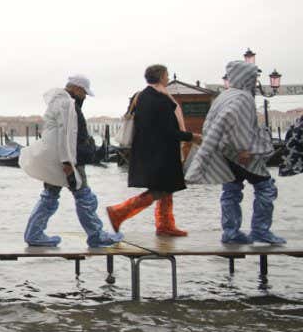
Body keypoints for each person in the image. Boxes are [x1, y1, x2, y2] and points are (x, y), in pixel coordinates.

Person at [186, 60, 284, 244]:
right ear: (246, 78)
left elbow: (210, 124)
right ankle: (260, 230)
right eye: (254, 78)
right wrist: (243, 148)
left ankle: (230, 232)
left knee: (231, 190)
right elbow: (231, 122)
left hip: (226, 153)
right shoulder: (243, 98)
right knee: (266, 188)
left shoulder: (224, 96)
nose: (255, 82)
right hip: (243, 154)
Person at [18, 75, 122, 248]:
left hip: (55, 158)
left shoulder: (58, 102)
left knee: (49, 197)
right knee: (84, 197)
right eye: (84, 92)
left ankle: (33, 234)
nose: (85, 97)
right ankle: (96, 235)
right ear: (76, 89)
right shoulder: (67, 104)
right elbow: (67, 135)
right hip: (69, 160)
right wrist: (68, 163)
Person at [106, 65, 200, 236]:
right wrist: (191, 137)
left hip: (146, 150)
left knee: (167, 188)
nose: (168, 77)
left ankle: (165, 224)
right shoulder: (161, 99)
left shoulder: (142, 96)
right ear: (161, 77)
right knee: (161, 189)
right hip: (161, 152)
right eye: (167, 75)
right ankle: (119, 212)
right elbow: (168, 130)